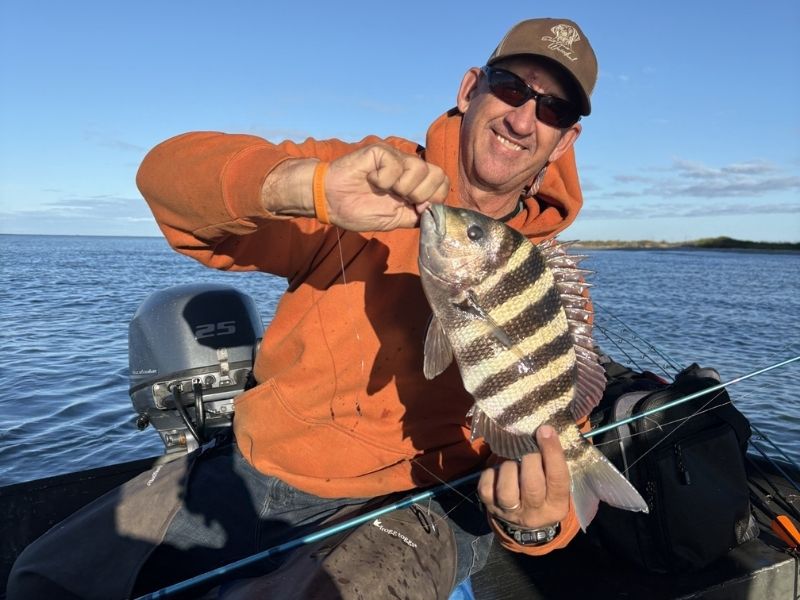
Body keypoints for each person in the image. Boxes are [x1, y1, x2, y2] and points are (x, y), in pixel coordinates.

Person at [8, 17, 598, 599]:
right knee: (42, 579)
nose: (524, 119)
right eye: (513, 87)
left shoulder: (545, 276)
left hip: (421, 505)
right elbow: (165, 176)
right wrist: (303, 186)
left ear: (565, 138)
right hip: (258, 465)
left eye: (553, 111)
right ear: (471, 89)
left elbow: (556, 435)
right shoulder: (369, 175)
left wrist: (537, 523)